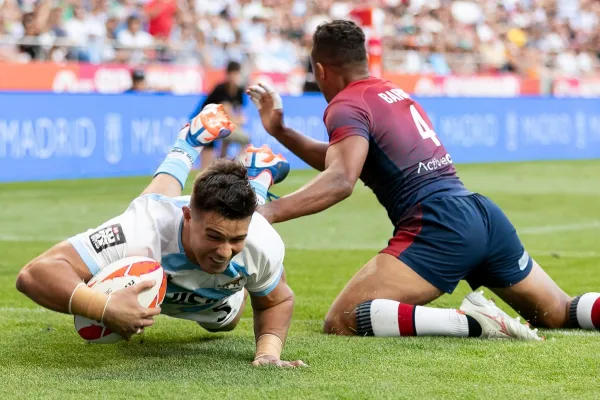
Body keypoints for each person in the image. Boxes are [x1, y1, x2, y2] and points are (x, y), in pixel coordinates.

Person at [246, 20, 600, 340]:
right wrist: (280, 131)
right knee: (559, 312)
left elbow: (340, 179)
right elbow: (342, 160)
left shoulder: (345, 105)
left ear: (320, 70)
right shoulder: (391, 93)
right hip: (482, 215)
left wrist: (268, 212)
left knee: (345, 318)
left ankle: (472, 322)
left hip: (437, 224)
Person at [16, 104, 305, 368]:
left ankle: (259, 175)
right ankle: (188, 143)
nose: (224, 251)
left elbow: (276, 300)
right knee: (151, 206)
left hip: (216, 293)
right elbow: (34, 274)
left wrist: (268, 352)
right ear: (188, 216)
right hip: (158, 225)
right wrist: (104, 307)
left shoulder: (260, 241)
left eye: (235, 241)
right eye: (214, 237)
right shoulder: (141, 230)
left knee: (226, 323)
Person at [190, 61, 251, 170]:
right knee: (206, 165)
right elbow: (229, 113)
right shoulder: (221, 89)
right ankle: (232, 166)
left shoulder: (239, 91)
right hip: (205, 123)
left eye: (236, 74)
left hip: (219, 125)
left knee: (232, 138)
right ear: (227, 74)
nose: (234, 77)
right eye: (232, 74)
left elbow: (239, 113)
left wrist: (239, 121)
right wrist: (238, 121)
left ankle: (226, 166)